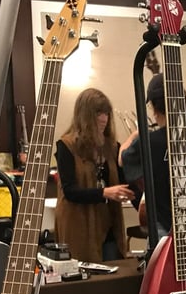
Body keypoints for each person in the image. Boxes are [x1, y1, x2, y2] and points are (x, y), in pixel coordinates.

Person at [119, 73, 186, 248]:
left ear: (154, 108)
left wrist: (136, 135)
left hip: (169, 232)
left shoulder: (152, 141)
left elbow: (122, 159)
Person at [55, 88, 134, 262]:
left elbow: (125, 182)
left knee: (115, 269)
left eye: (106, 113)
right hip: (78, 225)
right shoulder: (66, 146)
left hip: (108, 223)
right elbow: (70, 191)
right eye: (98, 113)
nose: (104, 118)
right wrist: (104, 193)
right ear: (85, 115)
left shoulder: (112, 147)